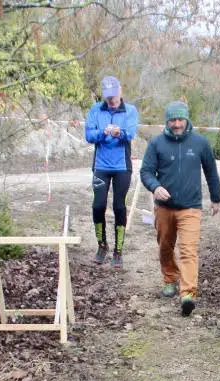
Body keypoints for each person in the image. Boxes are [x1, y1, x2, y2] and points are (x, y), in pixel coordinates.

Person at [139, 101, 220, 317]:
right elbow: (146, 171)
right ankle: (169, 278)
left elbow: (211, 172)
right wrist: (155, 187)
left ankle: (187, 294)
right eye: (173, 120)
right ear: (167, 121)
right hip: (164, 208)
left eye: (180, 120)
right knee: (165, 246)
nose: (177, 124)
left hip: (191, 207)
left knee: (188, 250)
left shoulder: (200, 143)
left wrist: (216, 198)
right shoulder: (157, 144)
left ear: (187, 120)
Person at [84, 75, 139, 268]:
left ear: (120, 91)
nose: (112, 101)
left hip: (122, 167)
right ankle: (102, 245)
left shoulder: (130, 110)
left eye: (114, 96)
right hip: (101, 165)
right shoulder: (95, 110)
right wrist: (103, 132)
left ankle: (118, 250)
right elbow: (89, 136)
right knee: (98, 206)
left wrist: (119, 132)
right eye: (108, 98)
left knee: (118, 207)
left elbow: (131, 133)